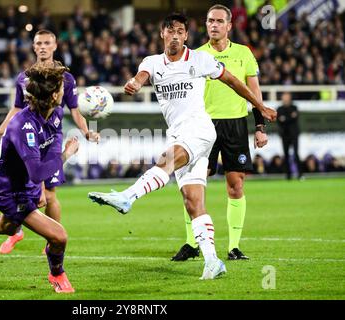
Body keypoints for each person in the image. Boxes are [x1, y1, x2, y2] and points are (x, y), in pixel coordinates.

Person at [88, 13, 276, 280]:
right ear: (162, 34)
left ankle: (128, 197)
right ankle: (212, 260)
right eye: (170, 30)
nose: (175, 35)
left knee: (166, 160)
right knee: (193, 202)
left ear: (186, 35)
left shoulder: (200, 59)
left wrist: (260, 106)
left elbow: (234, 81)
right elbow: (140, 77)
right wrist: (133, 83)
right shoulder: (152, 62)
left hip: (200, 131)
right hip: (177, 134)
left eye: (180, 31)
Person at [0, 64, 79, 293]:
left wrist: (41, 187)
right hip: (7, 189)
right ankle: (57, 275)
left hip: (27, 183)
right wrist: (66, 156)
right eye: (62, 87)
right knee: (59, 236)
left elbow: (49, 149)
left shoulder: (56, 113)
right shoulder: (23, 126)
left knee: (8, 226)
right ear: (53, 95)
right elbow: (39, 169)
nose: (65, 90)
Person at [0, 29, 100, 254]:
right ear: (34, 47)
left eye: (47, 42)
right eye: (39, 43)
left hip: (52, 136)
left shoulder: (65, 78)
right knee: (30, 192)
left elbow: (75, 110)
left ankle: (51, 243)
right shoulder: (24, 78)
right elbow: (17, 109)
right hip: (28, 136)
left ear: (55, 46)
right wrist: (0, 130)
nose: (43, 47)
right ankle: (15, 227)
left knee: (49, 195)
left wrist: (86, 132)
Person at [172, 4, 271, 262]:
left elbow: (254, 92)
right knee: (192, 184)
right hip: (202, 125)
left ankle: (234, 247)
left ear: (229, 25)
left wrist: (259, 126)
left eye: (218, 21)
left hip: (236, 124)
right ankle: (191, 242)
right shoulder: (194, 55)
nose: (213, 25)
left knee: (236, 185)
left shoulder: (244, 54)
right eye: (209, 21)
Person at [277, 92, 303, 180]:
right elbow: (280, 120)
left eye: (287, 97)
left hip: (294, 134)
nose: (285, 99)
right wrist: (290, 117)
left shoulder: (294, 107)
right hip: (284, 135)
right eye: (284, 97)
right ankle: (288, 175)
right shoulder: (279, 109)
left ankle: (300, 174)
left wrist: (285, 119)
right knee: (286, 155)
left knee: (296, 154)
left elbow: (293, 118)